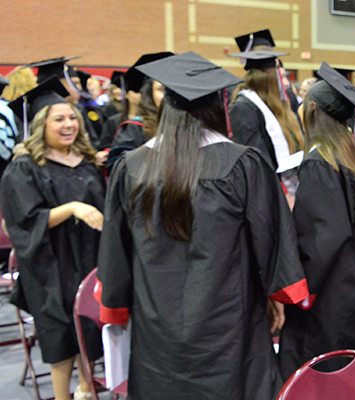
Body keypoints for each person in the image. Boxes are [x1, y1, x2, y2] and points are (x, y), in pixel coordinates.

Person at [96, 52, 309, 400]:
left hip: (156, 327)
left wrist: (115, 306)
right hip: (229, 323)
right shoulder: (243, 164)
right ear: (216, 105)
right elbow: (269, 243)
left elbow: (115, 252)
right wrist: (277, 295)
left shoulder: (132, 167)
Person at [2, 78, 103, 400]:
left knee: (89, 329)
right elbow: (24, 221)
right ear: (40, 125)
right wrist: (72, 208)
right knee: (60, 336)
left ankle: (86, 388)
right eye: (58, 119)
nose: (69, 124)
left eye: (72, 117)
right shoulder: (24, 169)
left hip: (89, 258)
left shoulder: (85, 163)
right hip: (49, 266)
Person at [278, 62, 355, 377]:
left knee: (322, 371)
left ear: (311, 112)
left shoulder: (319, 163)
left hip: (330, 293)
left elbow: (324, 236)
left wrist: (303, 288)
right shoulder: (354, 156)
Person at [228, 29, 304, 176]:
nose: (287, 84)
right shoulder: (243, 109)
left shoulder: (280, 107)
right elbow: (253, 163)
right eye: (281, 78)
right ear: (267, 81)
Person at [98, 52, 173, 166]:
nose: (168, 94)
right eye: (161, 89)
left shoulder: (192, 125)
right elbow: (119, 171)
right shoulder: (134, 129)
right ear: (149, 95)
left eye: (173, 88)